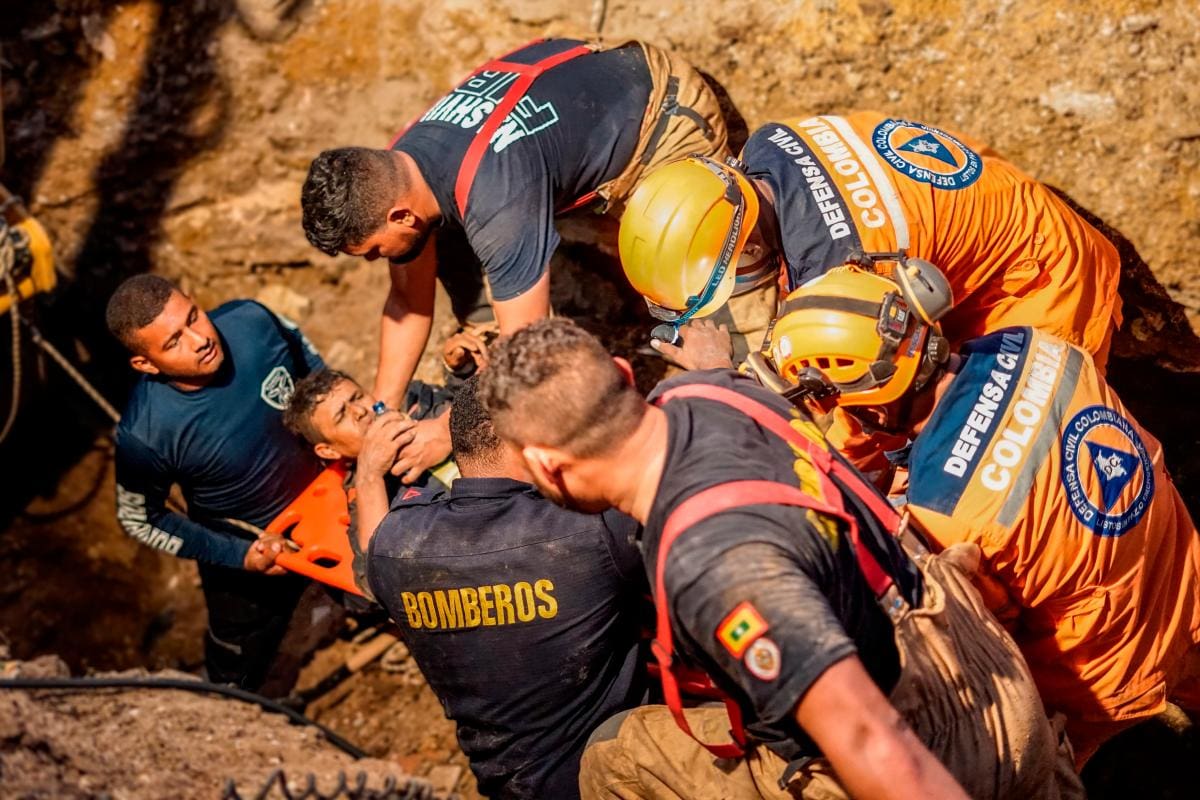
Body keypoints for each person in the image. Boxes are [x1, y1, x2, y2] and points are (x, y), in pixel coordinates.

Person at [478, 319, 1081, 799]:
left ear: (545, 465)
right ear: (622, 374)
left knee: (617, 756)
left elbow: (874, 744)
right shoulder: (715, 389)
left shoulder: (715, 568)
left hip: (941, 753)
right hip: (989, 672)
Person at [750, 264, 1200, 765]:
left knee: (1037, 781)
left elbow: (983, 630)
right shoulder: (1036, 344)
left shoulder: (945, 513)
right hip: (1185, 576)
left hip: (1106, 676)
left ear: (869, 405)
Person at [300, 37, 732, 478]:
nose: (374, 261)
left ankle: (764, 392)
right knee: (443, 238)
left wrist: (448, 432)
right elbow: (409, 303)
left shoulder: (494, 199)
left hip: (661, 110)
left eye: (373, 250)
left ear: (400, 215)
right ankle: (491, 340)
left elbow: (528, 358)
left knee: (717, 285)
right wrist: (382, 411)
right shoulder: (401, 167)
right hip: (579, 103)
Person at [620, 111, 1121, 367]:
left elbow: (865, 400)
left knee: (1024, 417)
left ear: (749, 248)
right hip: (990, 198)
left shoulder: (840, 265)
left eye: (732, 276)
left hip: (1042, 278)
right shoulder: (767, 144)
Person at [367, 376, 649, 800]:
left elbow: (375, 548)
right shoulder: (589, 528)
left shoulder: (396, 549)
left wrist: (367, 475)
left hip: (507, 787)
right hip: (620, 778)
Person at [107, 274, 324, 691]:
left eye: (194, 316)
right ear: (145, 364)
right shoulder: (146, 434)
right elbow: (140, 519)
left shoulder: (252, 319)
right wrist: (241, 556)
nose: (199, 339)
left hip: (333, 504)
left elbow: (315, 372)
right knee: (238, 671)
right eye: (173, 342)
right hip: (252, 558)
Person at [283, 368, 455, 596]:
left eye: (357, 397)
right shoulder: (369, 499)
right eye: (341, 415)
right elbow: (378, 582)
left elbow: (495, 396)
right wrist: (370, 476)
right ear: (329, 451)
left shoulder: (419, 403)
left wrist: (457, 370)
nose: (361, 411)